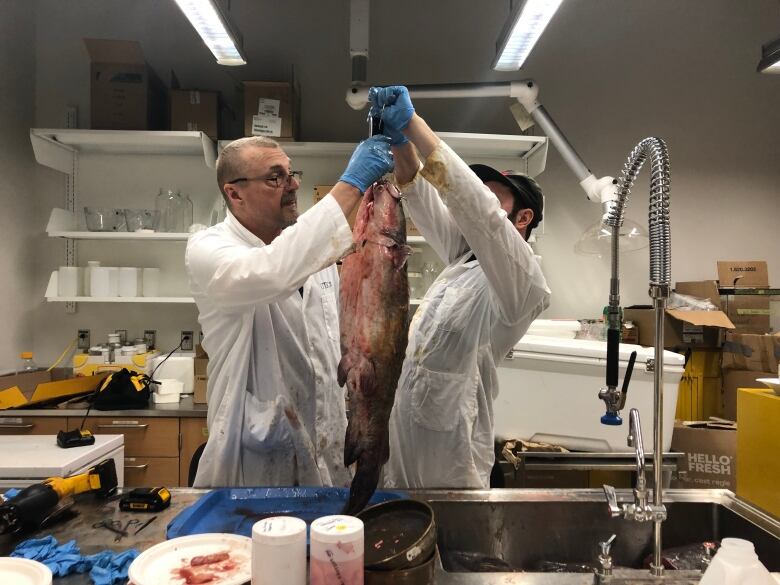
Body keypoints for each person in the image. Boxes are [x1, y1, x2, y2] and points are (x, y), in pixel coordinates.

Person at [185, 134, 394, 487]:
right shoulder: (208, 249)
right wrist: (352, 183)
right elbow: (272, 272)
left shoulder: (316, 254)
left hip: (327, 461)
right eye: (275, 177)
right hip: (254, 469)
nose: (293, 184)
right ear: (234, 193)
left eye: (291, 173)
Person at [369, 86, 552, 489]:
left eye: (493, 196)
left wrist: (415, 125)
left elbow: (480, 215)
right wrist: (400, 143)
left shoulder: (523, 283)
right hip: (402, 453)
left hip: (452, 466)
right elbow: (420, 195)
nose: (475, 201)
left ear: (523, 217)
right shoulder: (464, 260)